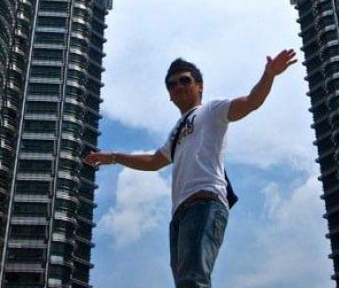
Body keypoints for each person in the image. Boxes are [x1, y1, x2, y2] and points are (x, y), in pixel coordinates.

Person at [84, 48, 297, 288]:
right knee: (186, 281)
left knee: (192, 280)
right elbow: (154, 161)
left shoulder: (211, 111)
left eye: (185, 80)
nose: (178, 87)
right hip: (179, 213)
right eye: (172, 85)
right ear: (170, 96)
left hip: (205, 202)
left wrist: (269, 74)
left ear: (200, 86)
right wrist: (113, 157)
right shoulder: (175, 132)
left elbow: (250, 102)